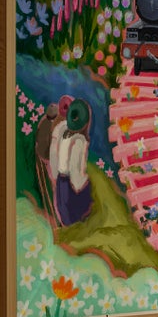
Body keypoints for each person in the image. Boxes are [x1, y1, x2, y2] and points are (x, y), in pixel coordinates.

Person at [35, 97, 95, 228]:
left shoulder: (61, 129)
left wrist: (55, 176)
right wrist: (82, 185)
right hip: (71, 188)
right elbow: (75, 171)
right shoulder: (79, 141)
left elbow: (53, 154)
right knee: (82, 209)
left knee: (65, 216)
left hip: (61, 183)